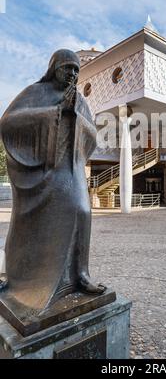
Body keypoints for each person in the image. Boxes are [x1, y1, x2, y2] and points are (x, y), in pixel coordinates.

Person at [0, 49, 105, 312]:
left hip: (71, 167)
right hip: (43, 170)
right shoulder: (35, 93)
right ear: (54, 67)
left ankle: (80, 275)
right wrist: (56, 113)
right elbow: (9, 123)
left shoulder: (80, 101)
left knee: (82, 210)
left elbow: (92, 134)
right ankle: (25, 279)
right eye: (68, 68)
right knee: (40, 223)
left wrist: (75, 116)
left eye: (76, 70)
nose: (72, 74)